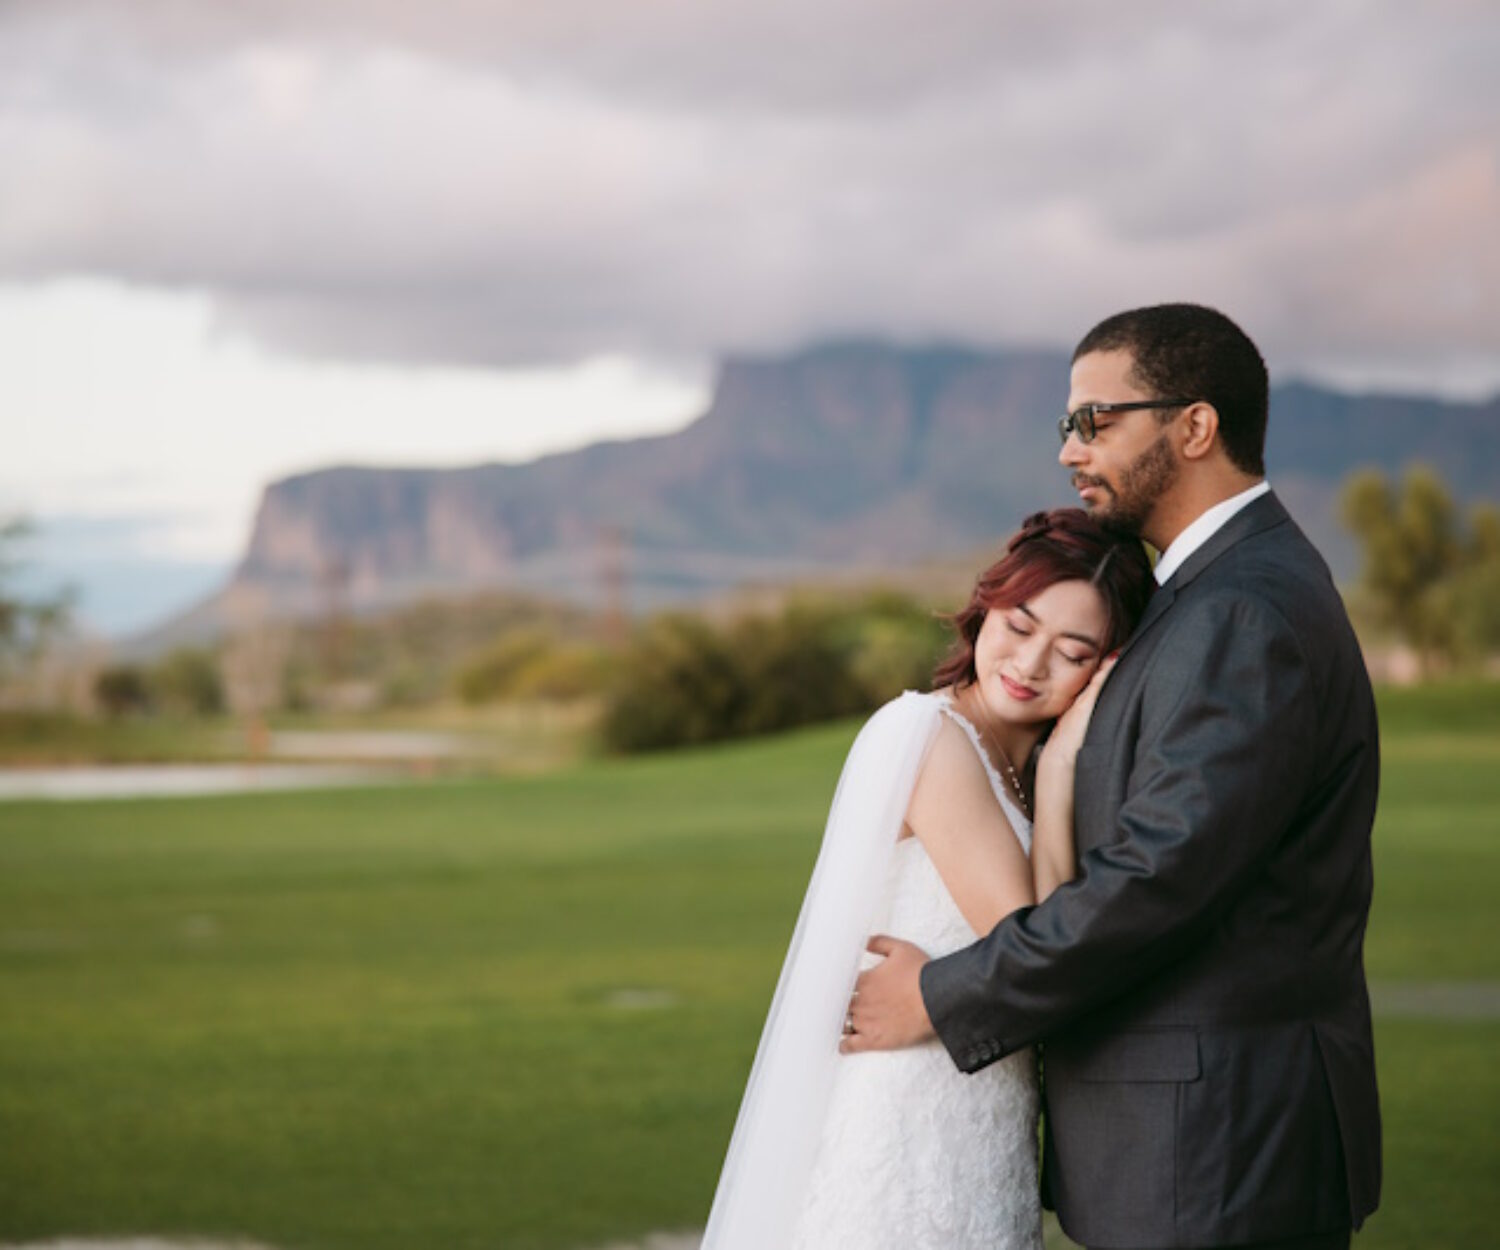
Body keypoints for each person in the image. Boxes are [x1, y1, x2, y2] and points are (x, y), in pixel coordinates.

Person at [846, 304, 1382, 1250]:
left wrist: (942, 995)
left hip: (1216, 1147)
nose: (1069, 448)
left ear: (1195, 426)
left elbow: (1156, 879)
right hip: (1200, 1143)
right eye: (1068, 424)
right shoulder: (1211, 594)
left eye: (1096, 420)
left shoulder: (1241, 613)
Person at [701, 508, 1155, 1250]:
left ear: (1106, 668)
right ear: (985, 609)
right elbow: (1038, 944)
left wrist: (1061, 768)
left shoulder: (1025, 766)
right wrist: (1066, 769)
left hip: (982, 1122)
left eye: (1072, 651)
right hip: (910, 1124)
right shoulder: (933, 738)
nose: (1030, 664)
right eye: (1019, 624)